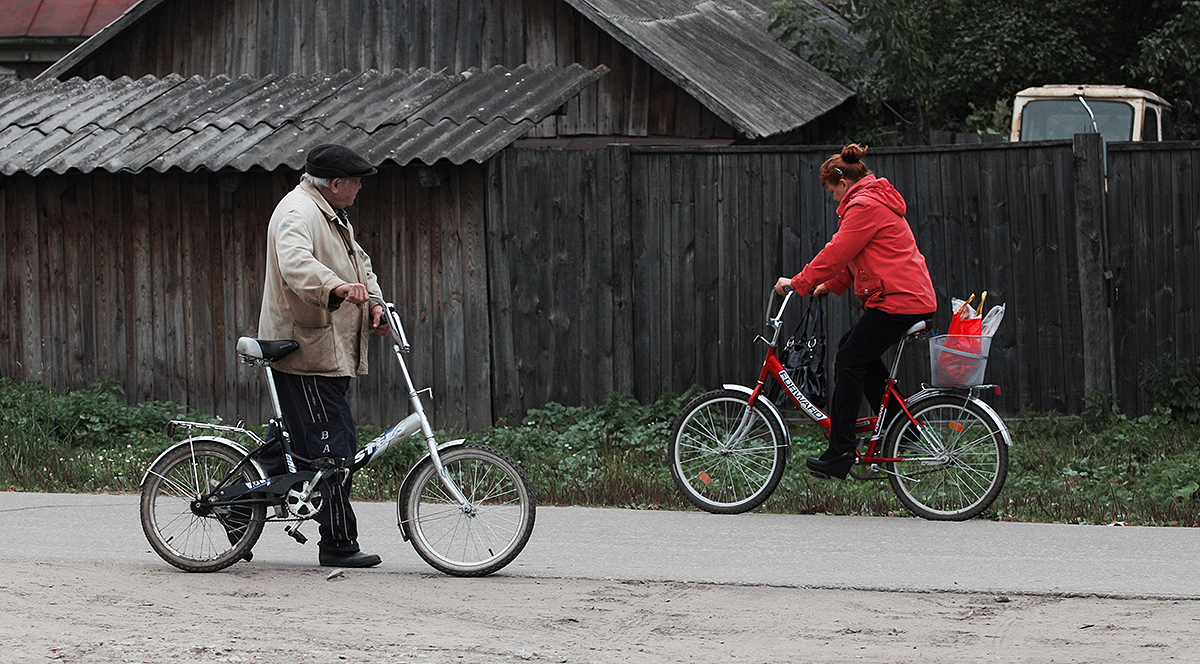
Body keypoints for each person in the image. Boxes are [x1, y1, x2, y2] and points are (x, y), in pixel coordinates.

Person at [256, 143, 391, 567]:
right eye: (356, 183)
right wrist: (335, 287)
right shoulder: (297, 212)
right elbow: (295, 263)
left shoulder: (331, 214)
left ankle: (239, 504)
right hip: (306, 351)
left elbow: (361, 265)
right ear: (336, 183)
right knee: (334, 446)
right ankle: (337, 543)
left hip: (326, 351)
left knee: (300, 440)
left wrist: (373, 301)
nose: (358, 191)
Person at [775, 144, 936, 480]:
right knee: (856, 350)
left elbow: (837, 252)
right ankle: (901, 429)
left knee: (849, 358)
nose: (833, 199)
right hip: (904, 297)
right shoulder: (876, 201)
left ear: (844, 184)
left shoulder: (864, 205)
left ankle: (841, 451)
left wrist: (799, 282)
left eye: (833, 191)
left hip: (899, 299)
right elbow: (853, 261)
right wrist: (827, 286)